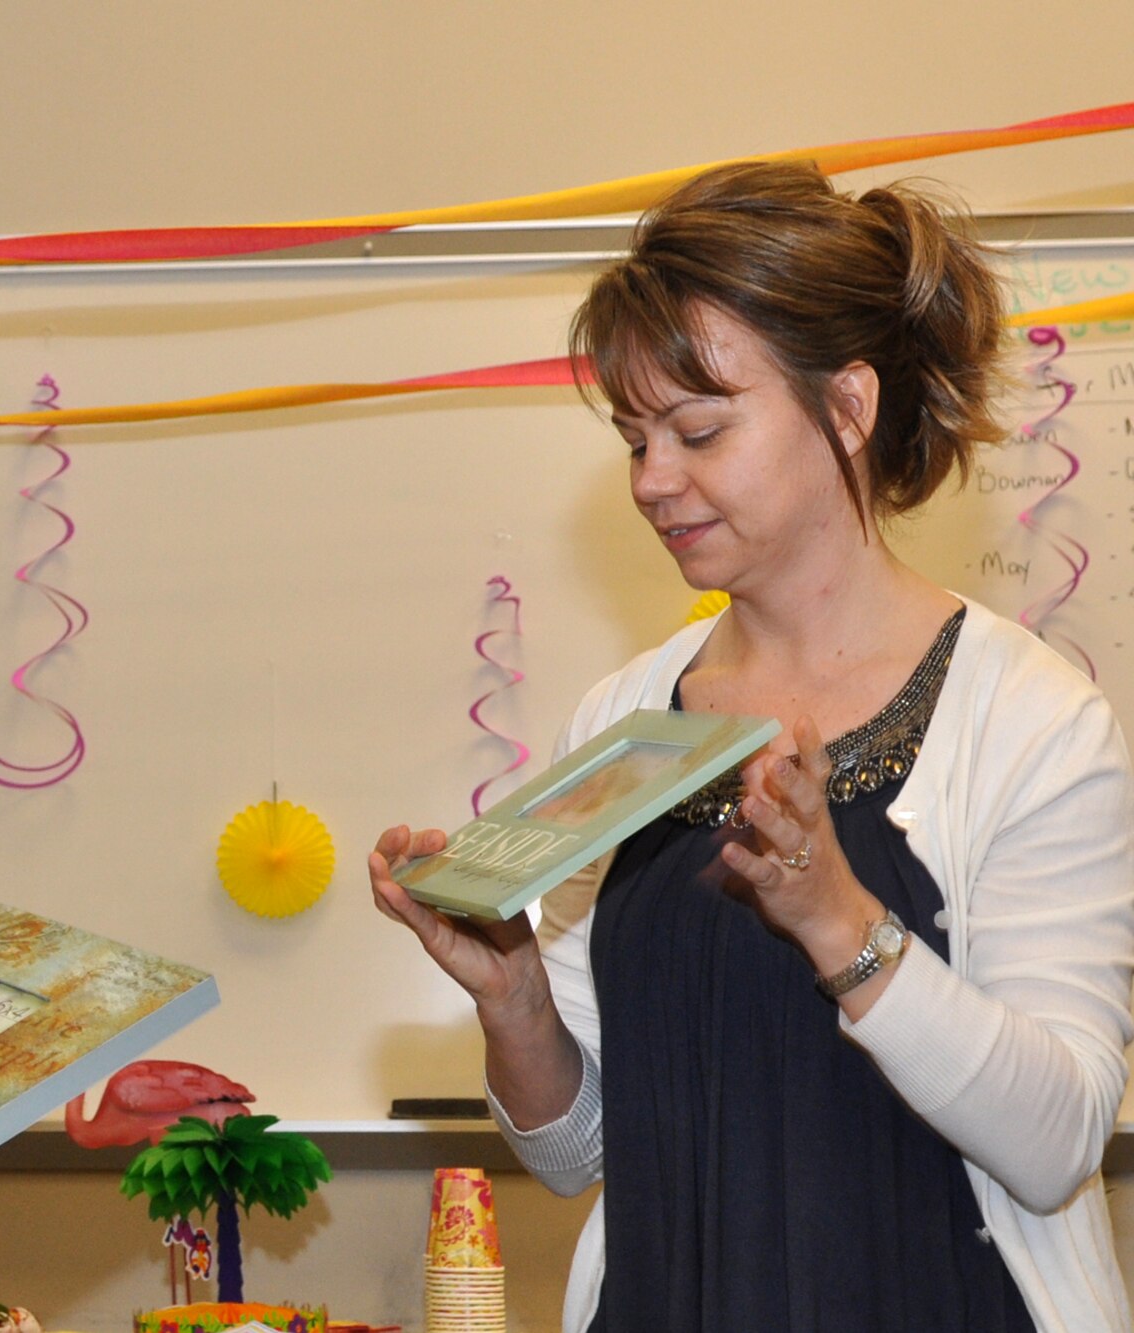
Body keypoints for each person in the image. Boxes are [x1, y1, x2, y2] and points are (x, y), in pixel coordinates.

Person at [370, 161, 1134, 1331]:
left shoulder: (1032, 722)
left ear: (847, 407)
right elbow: (577, 1154)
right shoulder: (623, 721)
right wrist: (514, 999)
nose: (651, 480)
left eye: (696, 430)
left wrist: (834, 914)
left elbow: (1055, 1138)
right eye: (633, 440)